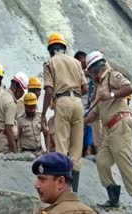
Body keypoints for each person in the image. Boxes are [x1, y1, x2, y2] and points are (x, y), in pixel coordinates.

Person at [84, 51, 132, 212]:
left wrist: (111, 94)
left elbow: (129, 88)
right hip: (109, 130)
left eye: (90, 71)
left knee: (123, 161)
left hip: (120, 124)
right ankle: (113, 197)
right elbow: (94, 113)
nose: (90, 75)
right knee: (102, 162)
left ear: (96, 68)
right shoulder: (98, 87)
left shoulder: (113, 76)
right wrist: (79, 122)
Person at [41, 33, 88, 192]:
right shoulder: (75, 62)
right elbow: (85, 88)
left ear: (51, 50)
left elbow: (48, 91)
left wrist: (43, 114)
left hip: (62, 102)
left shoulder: (49, 63)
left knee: (61, 146)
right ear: (63, 48)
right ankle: (73, 191)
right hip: (78, 103)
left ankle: (61, 191)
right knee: (76, 150)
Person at [0, 72, 29, 154]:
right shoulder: (11, 103)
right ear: (18, 89)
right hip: (3, 143)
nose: (21, 95)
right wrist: (15, 152)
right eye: (22, 92)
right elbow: (9, 129)